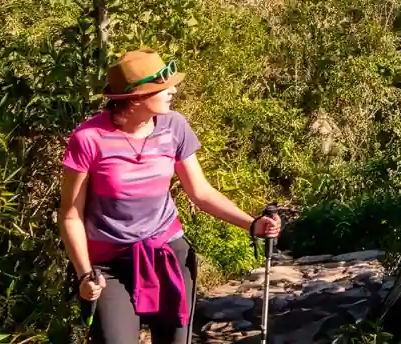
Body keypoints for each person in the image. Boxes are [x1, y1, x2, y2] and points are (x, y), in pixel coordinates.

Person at [59, 48, 283, 344]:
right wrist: (84, 274)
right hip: (109, 265)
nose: (173, 90)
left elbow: (200, 192)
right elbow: (70, 214)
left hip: (168, 253)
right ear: (136, 97)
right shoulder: (89, 139)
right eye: (164, 87)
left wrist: (251, 224)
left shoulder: (173, 126)